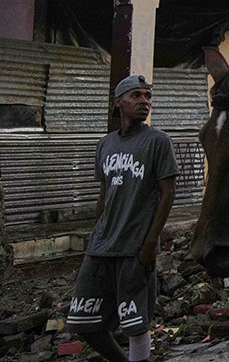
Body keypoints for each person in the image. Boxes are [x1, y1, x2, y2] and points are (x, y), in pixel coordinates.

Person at [65, 74, 178, 362]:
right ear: (118, 102)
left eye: (148, 96)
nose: (144, 101)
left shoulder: (158, 141)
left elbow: (167, 193)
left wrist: (151, 242)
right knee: (82, 322)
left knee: (135, 324)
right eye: (136, 95)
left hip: (135, 246)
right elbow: (104, 194)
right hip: (102, 246)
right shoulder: (105, 145)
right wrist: (96, 232)